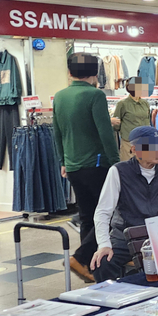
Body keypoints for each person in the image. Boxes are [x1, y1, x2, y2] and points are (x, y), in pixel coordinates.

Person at [53, 53, 121, 283]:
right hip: (97, 164)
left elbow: (57, 132)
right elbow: (105, 133)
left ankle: (88, 266)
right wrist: (116, 163)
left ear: (69, 72)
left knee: (87, 216)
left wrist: (63, 161)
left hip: (73, 165)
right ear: (95, 73)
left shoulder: (60, 96)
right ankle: (81, 257)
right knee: (109, 213)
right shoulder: (95, 95)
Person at [90, 126, 158, 281]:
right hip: (125, 237)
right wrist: (104, 244)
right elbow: (103, 211)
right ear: (135, 150)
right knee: (102, 263)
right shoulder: (118, 171)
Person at [110, 77, 152, 161]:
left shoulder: (145, 103)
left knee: (144, 166)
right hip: (129, 143)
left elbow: (148, 121)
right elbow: (116, 124)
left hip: (145, 142)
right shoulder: (122, 104)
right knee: (129, 166)